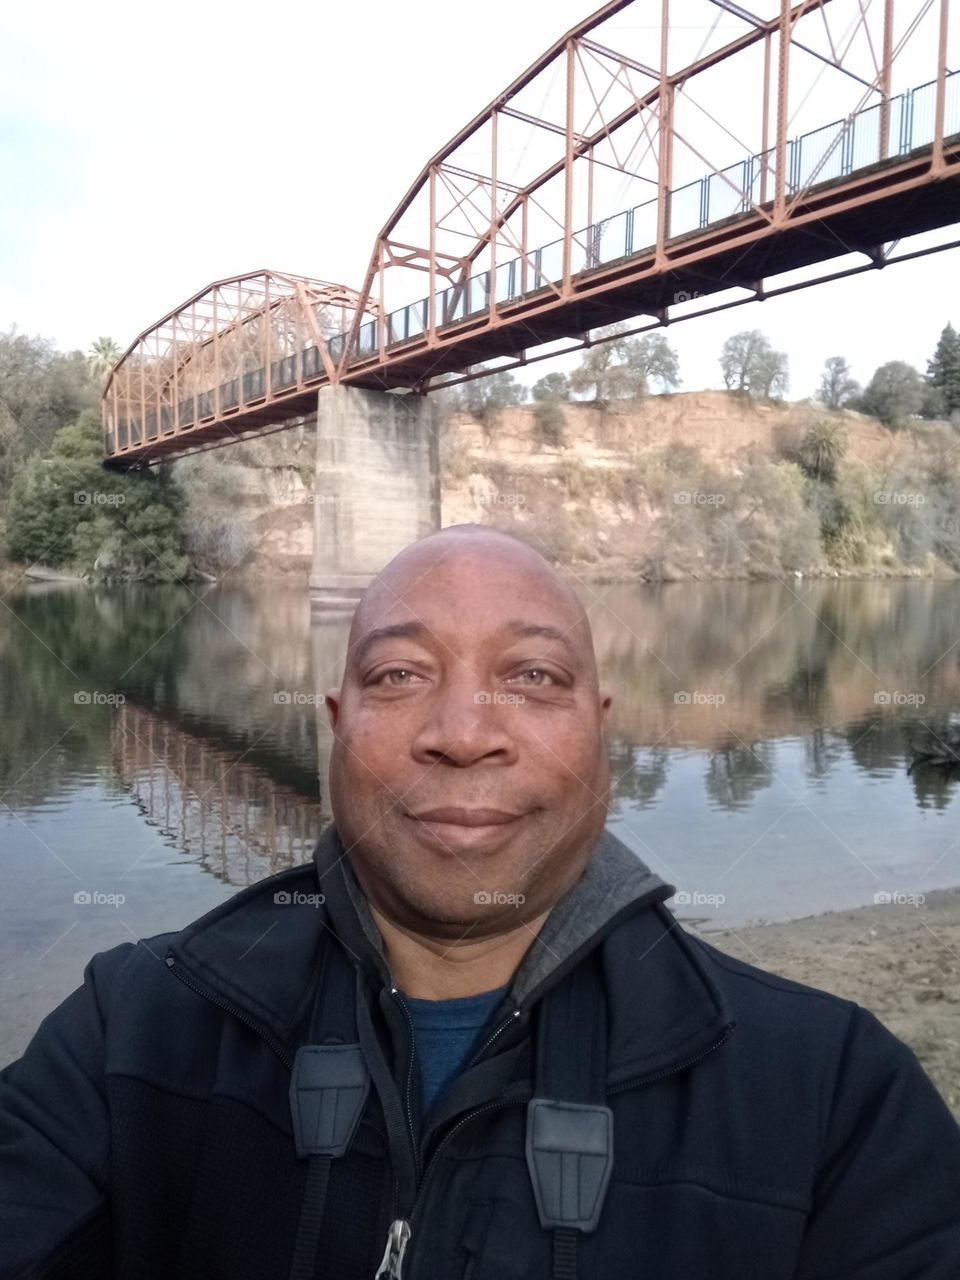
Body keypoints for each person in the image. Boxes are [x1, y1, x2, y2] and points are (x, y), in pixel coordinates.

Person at [2, 524, 959, 1280]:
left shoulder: (834, 1100)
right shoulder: (125, 1036)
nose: (464, 735)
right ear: (337, 726)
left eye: (532, 678)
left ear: (600, 732)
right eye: (399, 675)